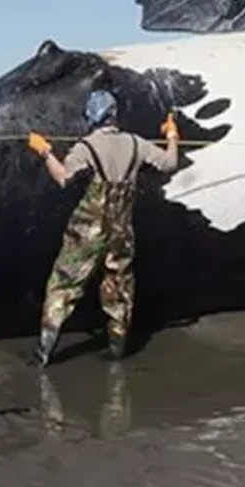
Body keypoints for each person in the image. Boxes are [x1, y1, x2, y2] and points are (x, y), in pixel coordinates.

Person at [25, 89, 180, 368]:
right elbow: (170, 164)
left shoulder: (86, 147)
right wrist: (171, 135)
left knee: (62, 285)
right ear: (114, 115)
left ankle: (44, 353)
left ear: (91, 117)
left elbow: (63, 178)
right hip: (121, 230)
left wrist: (45, 151)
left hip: (87, 230)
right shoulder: (137, 144)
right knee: (118, 288)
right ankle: (116, 351)